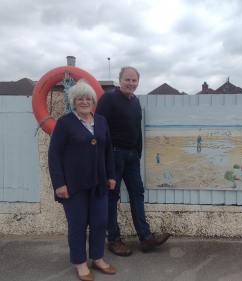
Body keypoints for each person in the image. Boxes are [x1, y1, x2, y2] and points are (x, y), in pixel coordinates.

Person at [96, 66, 171, 255]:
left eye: (134, 80)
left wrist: (138, 155)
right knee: (112, 197)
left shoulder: (135, 102)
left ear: (138, 83)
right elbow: (99, 129)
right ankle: (113, 240)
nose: (131, 83)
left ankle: (145, 239)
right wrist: (104, 159)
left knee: (137, 193)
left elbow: (137, 130)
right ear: (119, 80)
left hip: (131, 156)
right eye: (127, 80)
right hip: (113, 154)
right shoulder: (108, 99)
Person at [48, 80, 117, 281]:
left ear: (93, 100)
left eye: (88, 98)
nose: (84, 101)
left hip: (99, 182)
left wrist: (111, 175)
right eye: (80, 98)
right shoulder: (64, 122)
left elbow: (107, 151)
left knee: (99, 222)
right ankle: (79, 263)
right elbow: (54, 155)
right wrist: (59, 184)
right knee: (77, 224)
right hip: (74, 185)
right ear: (73, 101)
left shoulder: (102, 121)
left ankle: (97, 258)